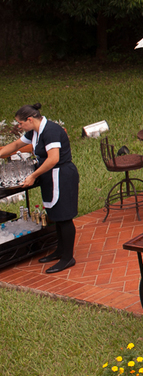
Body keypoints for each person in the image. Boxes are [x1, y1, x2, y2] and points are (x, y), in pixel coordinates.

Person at [0, 104, 79, 272]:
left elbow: (53, 159)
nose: (19, 126)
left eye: (20, 123)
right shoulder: (34, 131)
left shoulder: (50, 131)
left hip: (62, 176)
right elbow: (16, 145)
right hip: (50, 176)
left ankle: (68, 258)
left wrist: (33, 176)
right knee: (56, 215)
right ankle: (60, 251)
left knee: (65, 217)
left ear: (29, 119)